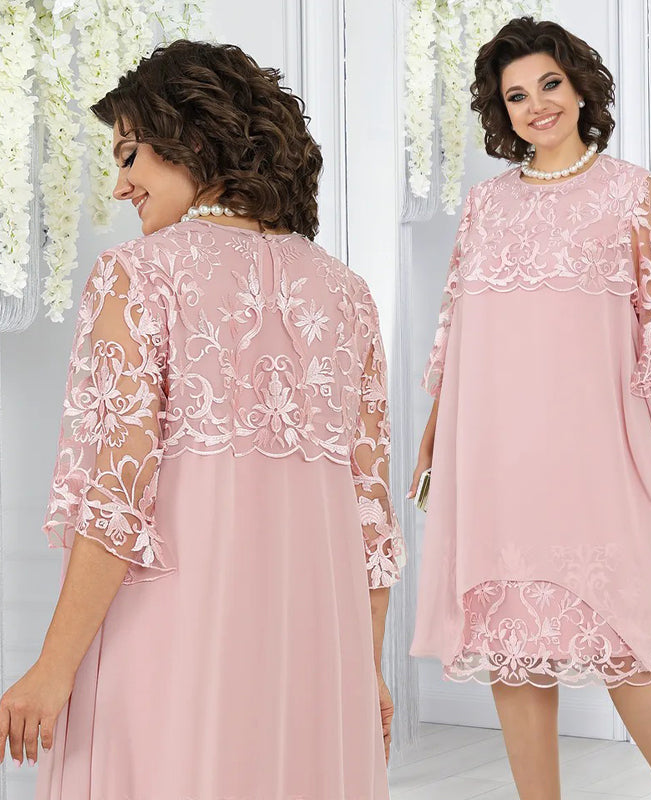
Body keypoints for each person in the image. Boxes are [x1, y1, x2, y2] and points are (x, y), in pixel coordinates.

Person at [0, 40, 406, 799]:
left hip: (165, 651)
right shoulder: (347, 293)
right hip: (313, 664)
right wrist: (366, 671)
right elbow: (372, 521)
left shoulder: (137, 275)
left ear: (189, 138)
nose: (121, 185)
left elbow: (115, 498)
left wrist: (51, 669)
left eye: (130, 155)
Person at [407, 17, 651, 800]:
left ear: (581, 86)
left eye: (549, 84)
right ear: (502, 111)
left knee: (623, 639)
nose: (537, 105)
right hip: (492, 459)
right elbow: (455, 337)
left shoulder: (627, 192)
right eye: (517, 95)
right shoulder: (485, 206)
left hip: (587, 456)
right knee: (512, 644)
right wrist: (432, 440)